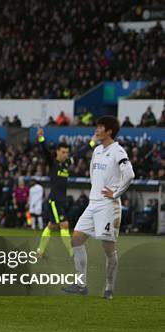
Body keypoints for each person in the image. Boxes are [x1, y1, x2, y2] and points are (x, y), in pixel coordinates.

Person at [62, 116, 134, 300]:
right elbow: (93, 175)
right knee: (76, 239)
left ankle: (109, 288)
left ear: (109, 131)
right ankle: (81, 285)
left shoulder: (118, 151)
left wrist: (116, 193)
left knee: (108, 249)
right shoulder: (97, 151)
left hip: (108, 206)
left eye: (100, 127)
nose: (97, 129)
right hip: (93, 204)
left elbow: (129, 174)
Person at [36, 127, 95, 257]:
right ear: (57, 152)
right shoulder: (53, 163)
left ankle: (40, 251)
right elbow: (45, 151)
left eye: (67, 152)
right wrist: (41, 138)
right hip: (54, 201)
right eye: (63, 152)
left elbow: (80, 153)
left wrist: (92, 142)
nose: (65, 155)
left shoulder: (67, 164)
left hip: (62, 201)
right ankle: (71, 252)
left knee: (51, 226)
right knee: (64, 224)